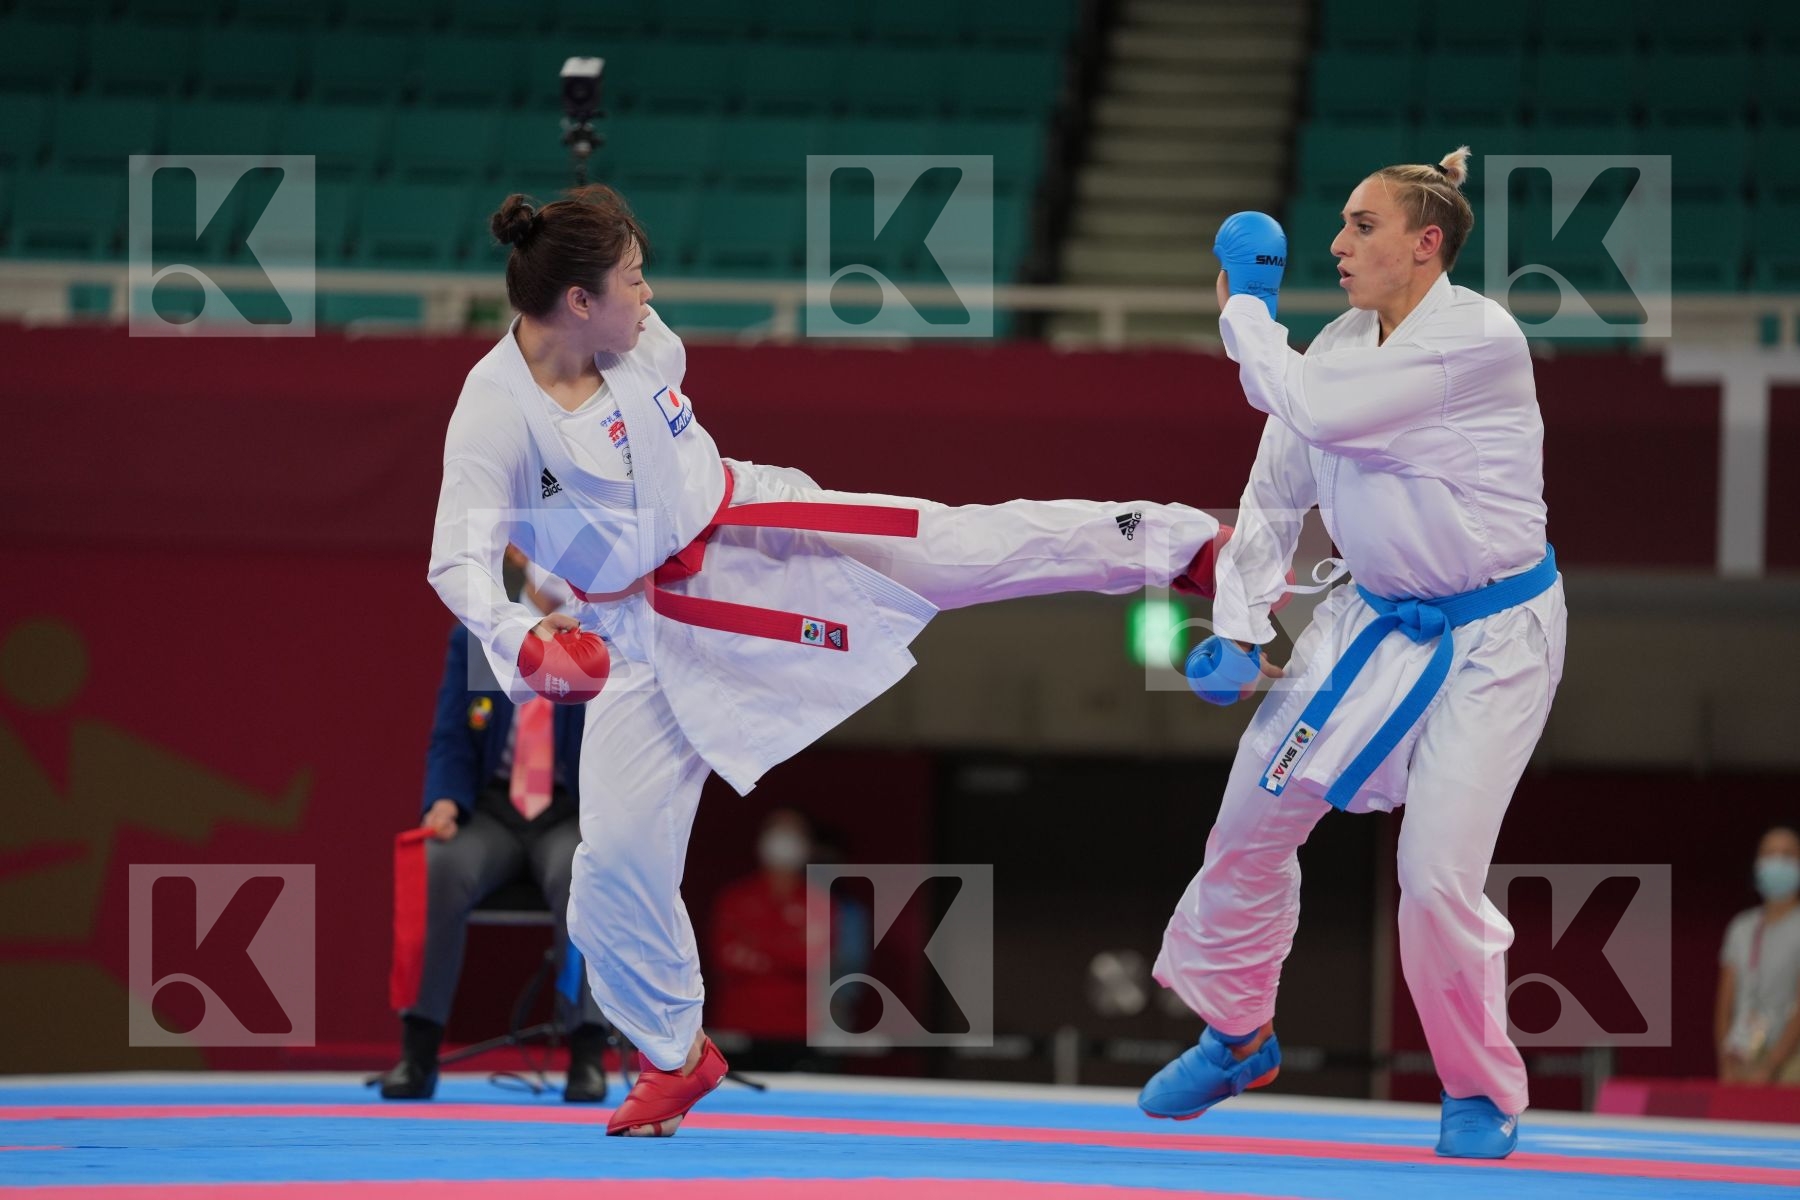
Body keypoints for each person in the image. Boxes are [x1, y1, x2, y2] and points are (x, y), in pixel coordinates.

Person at [427, 184, 1231, 1136]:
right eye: (633, 281)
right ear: (576, 301)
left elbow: (657, 437)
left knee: (956, 548)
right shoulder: (494, 413)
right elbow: (456, 560)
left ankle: (1184, 547)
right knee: (613, 865)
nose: (649, 295)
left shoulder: (642, 341)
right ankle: (677, 1054)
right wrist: (523, 637)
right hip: (640, 636)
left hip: (752, 539)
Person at [1139, 147, 1567, 1161]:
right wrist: (1242, 624)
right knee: (1247, 827)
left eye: (1361, 226)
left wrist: (1245, 303)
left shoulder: (1477, 341)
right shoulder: (1334, 342)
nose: (1335, 243)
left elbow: (1319, 408)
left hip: (1493, 638)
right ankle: (1238, 1033)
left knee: (1433, 877)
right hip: (1368, 625)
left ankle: (1479, 1090)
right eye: (1338, 224)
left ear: (1426, 245)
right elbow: (1280, 484)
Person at [380, 546, 610, 1103]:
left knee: (590, 877)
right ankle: (419, 1048)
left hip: (568, 812)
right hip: (493, 811)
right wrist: (444, 801)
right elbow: (452, 737)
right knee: (438, 864)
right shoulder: (487, 634)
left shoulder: (601, 635)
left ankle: (587, 1050)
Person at [706, 809, 822, 1066]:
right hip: (738, 1027)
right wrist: (787, 946)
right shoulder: (734, 898)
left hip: (798, 1030)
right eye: (777, 831)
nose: (783, 840)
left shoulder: (820, 902)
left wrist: (757, 945)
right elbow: (724, 958)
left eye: (793, 833)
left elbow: (813, 960)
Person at [1717, 826, 1800, 1086]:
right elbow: (1725, 1002)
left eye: (1787, 855)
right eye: (1770, 853)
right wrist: (1725, 1058)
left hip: (1790, 1060)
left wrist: (1771, 1065)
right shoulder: (1741, 927)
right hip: (1742, 1053)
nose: (1777, 861)